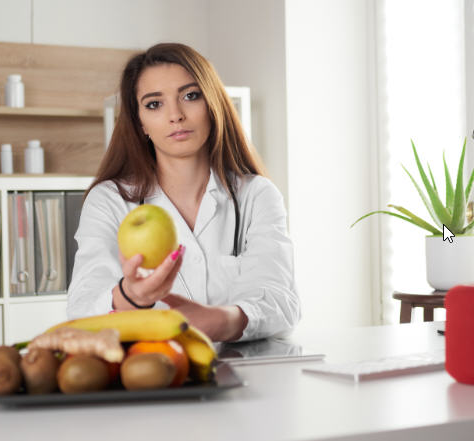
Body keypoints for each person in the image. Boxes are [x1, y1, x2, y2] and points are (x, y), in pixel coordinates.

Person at [67, 43, 300, 342]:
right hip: (150, 373)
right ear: (140, 124)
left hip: (248, 374)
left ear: (213, 104)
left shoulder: (257, 195)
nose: (175, 115)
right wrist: (130, 296)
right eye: (154, 104)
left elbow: (281, 302)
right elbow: (82, 308)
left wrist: (221, 320)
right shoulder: (110, 200)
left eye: (190, 96)